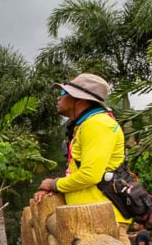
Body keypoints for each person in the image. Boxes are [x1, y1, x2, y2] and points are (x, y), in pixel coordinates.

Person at [33, 73, 130, 231]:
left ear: (79, 99)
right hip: (91, 216)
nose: (59, 97)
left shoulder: (97, 125)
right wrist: (57, 189)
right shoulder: (85, 125)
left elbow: (90, 175)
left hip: (102, 220)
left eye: (64, 93)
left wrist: (54, 183)